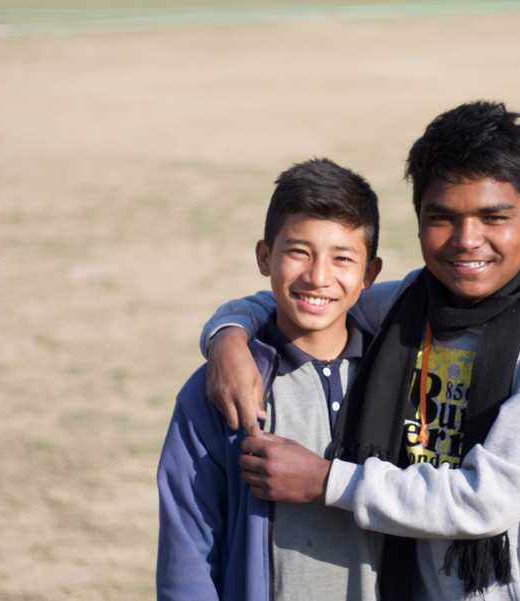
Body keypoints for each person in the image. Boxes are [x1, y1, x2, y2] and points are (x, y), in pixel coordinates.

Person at [201, 101, 520, 601]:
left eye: (493, 217)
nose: (467, 241)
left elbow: (486, 500)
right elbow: (313, 298)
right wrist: (228, 335)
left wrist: (326, 481)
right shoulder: (409, 306)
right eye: (442, 218)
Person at [156, 158, 384, 601]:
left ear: (369, 275)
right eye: (298, 252)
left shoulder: (397, 374)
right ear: (265, 257)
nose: (318, 276)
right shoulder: (222, 388)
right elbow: (188, 544)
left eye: (342, 258)